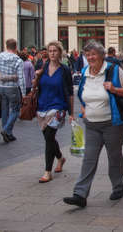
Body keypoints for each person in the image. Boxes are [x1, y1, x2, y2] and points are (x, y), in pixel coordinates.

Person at [63, 40, 123, 208]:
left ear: (102, 55)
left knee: (114, 156)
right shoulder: (84, 71)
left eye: (93, 54)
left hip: (113, 123)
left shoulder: (114, 70)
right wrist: (84, 109)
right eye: (87, 55)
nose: (90, 57)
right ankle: (80, 194)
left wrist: (115, 89)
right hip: (92, 124)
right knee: (89, 158)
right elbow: (82, 94)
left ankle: (118, 186)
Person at [36, 41, 74, 183]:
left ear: (60, 52)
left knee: (49, 137)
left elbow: (70, 92)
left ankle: (47, 172)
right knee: (49, 138)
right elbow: (38, 86)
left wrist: (71, 113)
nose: (52, 53)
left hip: (58, 107)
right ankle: (60, 158)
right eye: (50, 51)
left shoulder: (64, 70)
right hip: (42, 107)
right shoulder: (43, 67)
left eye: (55, 51)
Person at [0, 39, 25, 142]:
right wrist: (23, 93)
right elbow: (21, 78)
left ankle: (7, 133)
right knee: (15, 110)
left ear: (6, 45)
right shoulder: (17, 59)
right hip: (13, 88)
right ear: (16, 47)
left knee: (4, 110)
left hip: (1, 88)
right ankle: (6, 130)